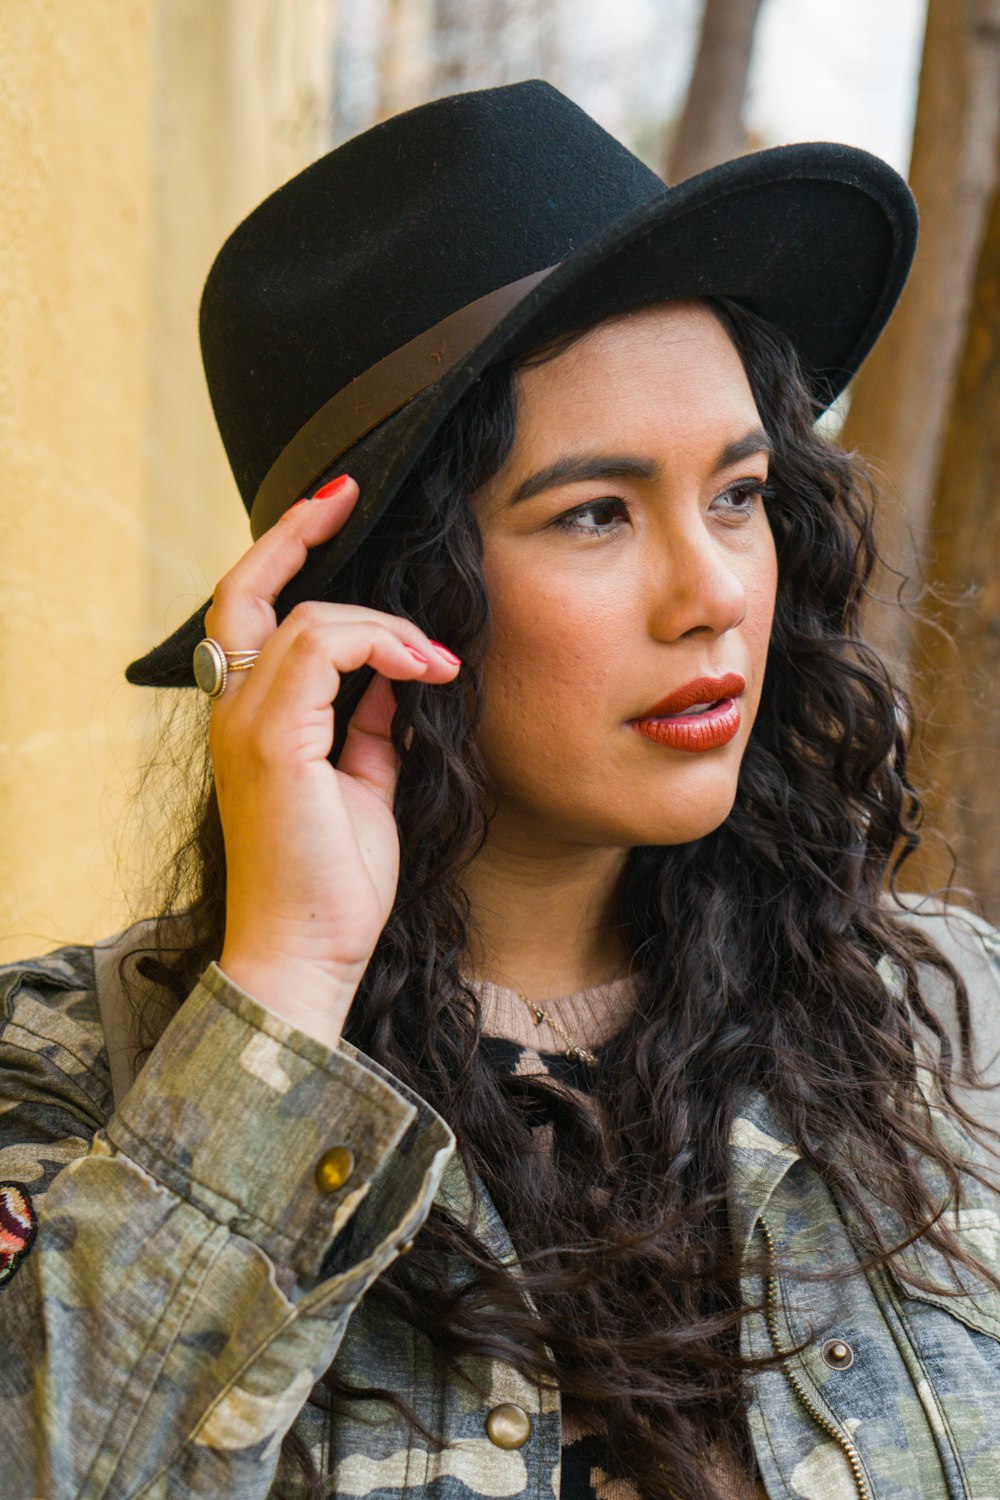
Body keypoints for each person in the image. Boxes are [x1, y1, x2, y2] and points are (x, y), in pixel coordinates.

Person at [2, 78, 1000, 1500]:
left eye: (736, 493)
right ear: (390, 592)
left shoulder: (955, 1036)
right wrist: (285, 991)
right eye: (595, 512)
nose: (715, 590)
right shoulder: (77, 1080)